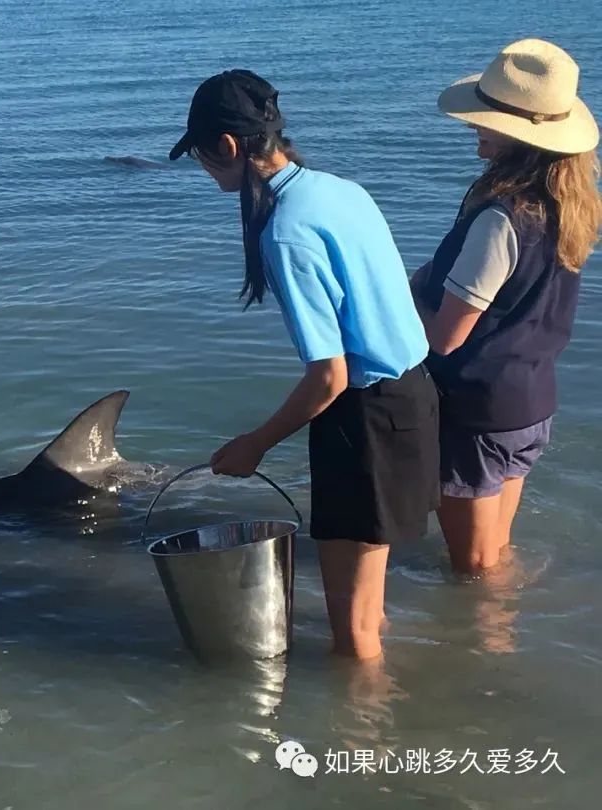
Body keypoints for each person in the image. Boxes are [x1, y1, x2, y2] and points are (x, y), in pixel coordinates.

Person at [169, 70, 439, 660]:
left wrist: (255, 445)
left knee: (354, 638)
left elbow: (330, 376)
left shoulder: (286, 232)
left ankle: (360, 741)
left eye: (201, 157)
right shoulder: (339, 189)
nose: (206, 171)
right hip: (414, 400)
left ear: (229, 146)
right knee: (372, 608)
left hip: (366, 420)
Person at [413, 39, 600, 575]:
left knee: (471, 571)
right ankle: (507, 637)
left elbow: (447, 335)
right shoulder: (569, 205)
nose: (474, 126)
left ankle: (485, 649)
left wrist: (394, 304)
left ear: (514, 133)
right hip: (531, 405)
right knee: (496, 556)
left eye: (483, 118)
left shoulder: (501, 218)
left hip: (479, 413)